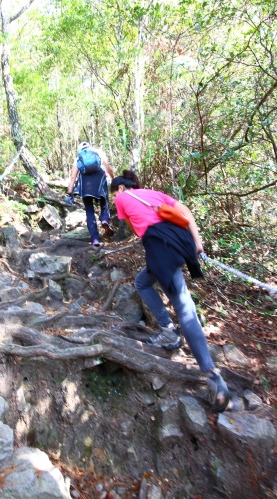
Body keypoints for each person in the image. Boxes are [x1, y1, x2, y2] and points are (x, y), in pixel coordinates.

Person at [110, 170, 231, 413]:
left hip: (160, 247)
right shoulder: (154, 193)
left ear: (120, 189)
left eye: (115, 192)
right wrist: (198, 244)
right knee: (143, 282)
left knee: (185, 309)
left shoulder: (121, 198)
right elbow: (186, 215)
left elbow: (135, 229)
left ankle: (212, 374)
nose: (115, 198)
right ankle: (168, 330)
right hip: (180, 242)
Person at [66, 142, 115, 246]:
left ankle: (95, 239)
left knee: (89, 211)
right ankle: (105, 219)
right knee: (104, 204)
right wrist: (114, 179)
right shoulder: (97, 153)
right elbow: (108, 168)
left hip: (85, 185)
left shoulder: (78, 158)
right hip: (100, 180)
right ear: (89, 147)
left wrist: (70, 190)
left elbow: (73, 177)